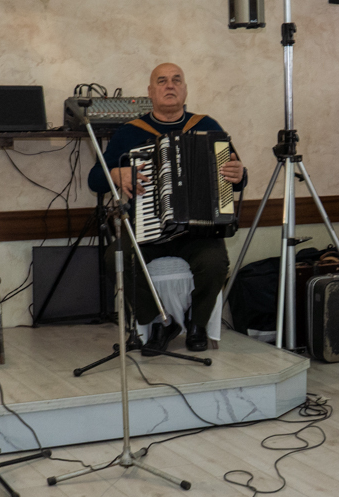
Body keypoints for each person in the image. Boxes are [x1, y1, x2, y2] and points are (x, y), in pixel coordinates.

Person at [87, 62, 247, 352]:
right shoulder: (129, 133)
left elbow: (234, 178)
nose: (170, 85)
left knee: (215, 263)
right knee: (116, 258)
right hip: (147, 231)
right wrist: (116, 174)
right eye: (162, 81)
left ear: (185, 90)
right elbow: (94, 180)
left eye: (176, 80)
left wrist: (239, 175)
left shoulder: (207, 126)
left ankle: (197, 324)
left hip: (197, 231)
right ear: (150, 92)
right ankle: (159, 321)